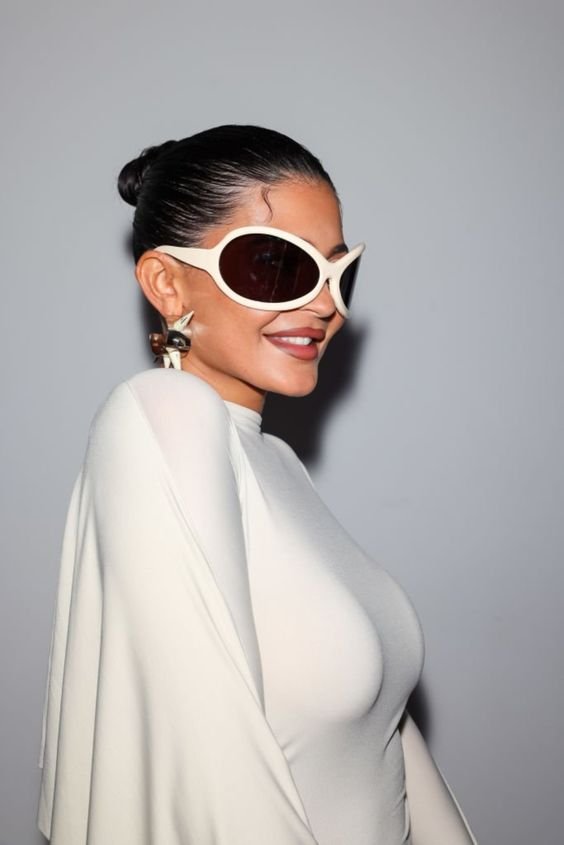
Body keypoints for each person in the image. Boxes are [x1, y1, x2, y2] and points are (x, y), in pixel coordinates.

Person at [37, 125, 478, 845]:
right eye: (277, 265)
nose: (325, 304)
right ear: (166, 282)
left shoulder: (278, 462)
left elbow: (388, 748)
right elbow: (214, 767)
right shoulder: (164, 414)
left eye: (339, 272)